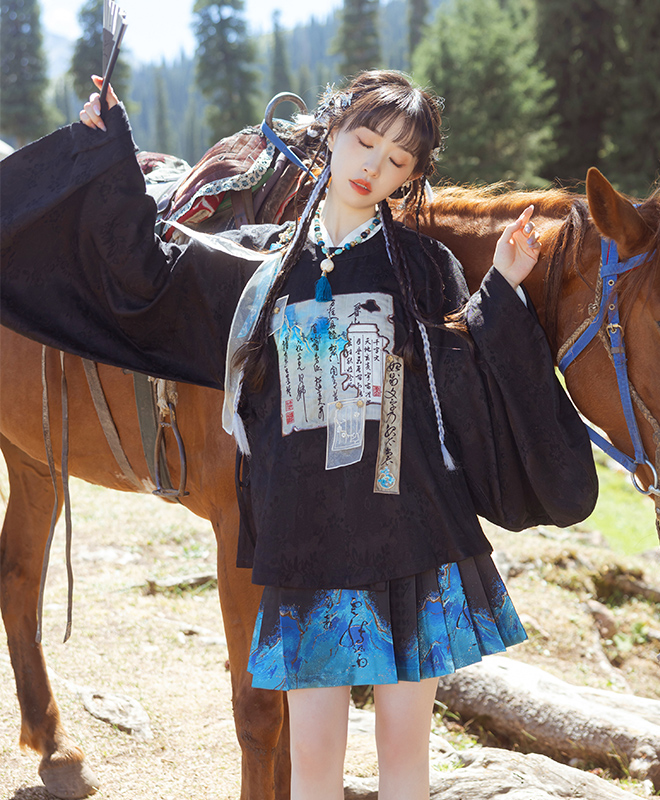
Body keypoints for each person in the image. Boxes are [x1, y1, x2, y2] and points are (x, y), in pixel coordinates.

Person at [0, 70, 597, 799]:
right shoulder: (262, 268)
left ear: (410, 179)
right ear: (336, 136)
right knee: (313, 762)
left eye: (398, 161)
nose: (373, 165)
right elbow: (143, 277)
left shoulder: (424, 267)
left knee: (405, 757)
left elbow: (462, 380)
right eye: (365, 141)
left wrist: (500, 287)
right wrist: (109, 147)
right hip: (310, 546)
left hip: (414, 539)